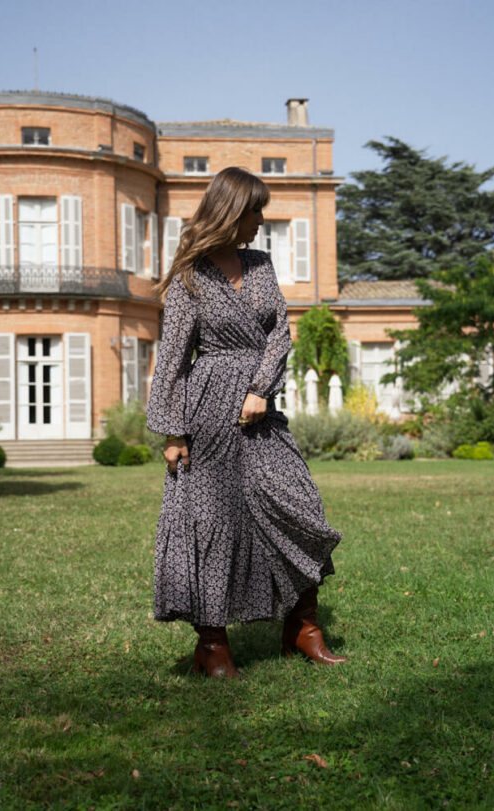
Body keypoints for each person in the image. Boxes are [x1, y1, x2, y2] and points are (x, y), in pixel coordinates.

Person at [146, 167, 347, 678]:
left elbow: (280, 330)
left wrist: (261, 389)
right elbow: (173, 355)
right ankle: (212, 646)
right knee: (212, 523)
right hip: (208, 409)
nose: (262, 219)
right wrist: (173, 430)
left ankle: (302, 628)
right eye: (256, 210)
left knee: (297, 504)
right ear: (232, 211)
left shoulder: (260, 264)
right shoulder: (191, 276)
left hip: (261, 409)